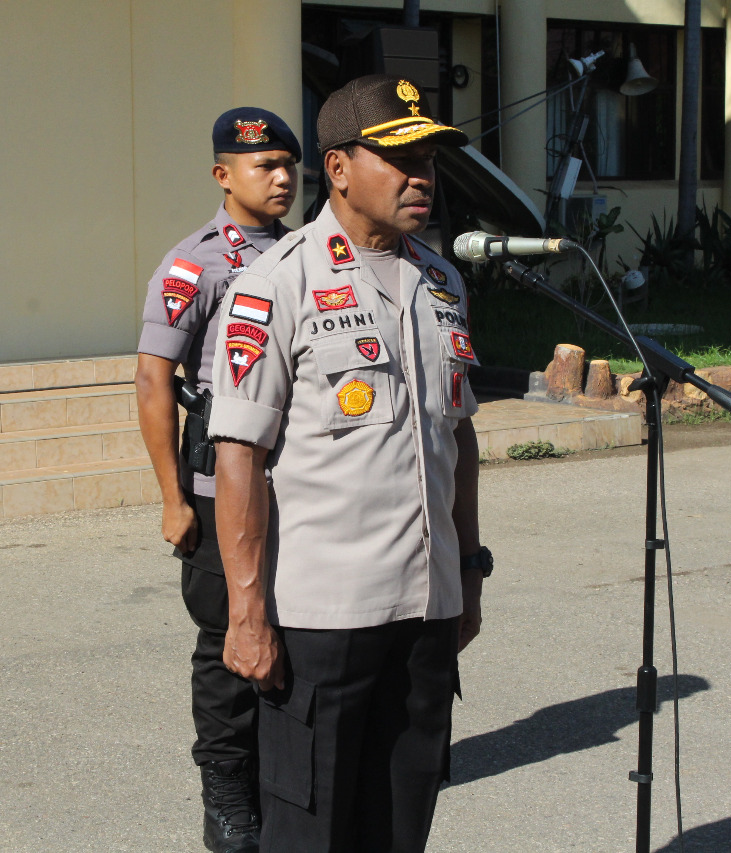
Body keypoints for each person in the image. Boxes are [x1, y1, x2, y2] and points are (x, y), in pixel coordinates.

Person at [208, 75, 494, 853]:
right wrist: (245, 613)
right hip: (322, 622)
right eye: (400, 158)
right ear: (337, 169)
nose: (421, 178)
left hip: (425, 615)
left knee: (402, 830)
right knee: (309, 834)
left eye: (429, 160)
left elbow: (456, 437)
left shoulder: (443, 283)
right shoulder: (276, 284)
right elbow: (239, 456)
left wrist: (467, 569)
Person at [135, 106, 300, 853]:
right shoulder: (193, 264)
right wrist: (172, 498)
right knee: (224, 646)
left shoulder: (307, 253)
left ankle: (284, 779)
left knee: (291, 631)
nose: (282, 177)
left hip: (292, 481)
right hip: (215, 484)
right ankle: (227, 794)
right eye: (264, 165)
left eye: (288, 163)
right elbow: (153, 380)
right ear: (222, 174)